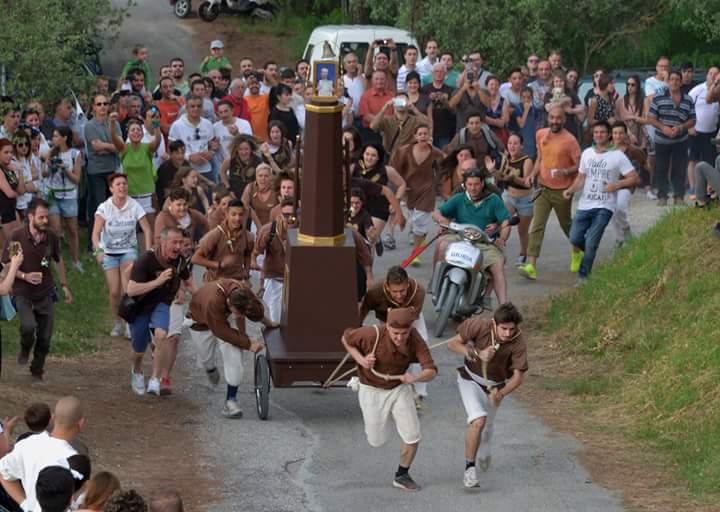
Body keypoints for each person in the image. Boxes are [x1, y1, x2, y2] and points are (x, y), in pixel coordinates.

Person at [341, 307, 437, 491]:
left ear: (410, 328)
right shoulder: (371, 334)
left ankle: (401, 475)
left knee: (412, 436)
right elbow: (345, 338)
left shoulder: (415, 339)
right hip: (371, 389)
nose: (400, 338)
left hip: (398, 388)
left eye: (404, 333)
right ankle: (388, 418)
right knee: (377, 441)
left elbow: (431, 370)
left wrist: (415, 378)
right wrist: (361, 360)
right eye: (395, 333)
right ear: (387, 327)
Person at [446, 303, 528, 488]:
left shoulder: (518, 342)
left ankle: (485, 447)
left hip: (495, 387)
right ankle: (470, 469)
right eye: (503, 328)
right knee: (478, 421)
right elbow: (453, 344)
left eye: (511, 329)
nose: (507, 333)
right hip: (470, 379)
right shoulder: (479, 326)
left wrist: (501, 393)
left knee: (488, 427)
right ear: (494, 323)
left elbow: (518, 377)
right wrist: (476, 353)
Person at [3, 198, 71, 381]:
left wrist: (64, 286)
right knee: (28, 326)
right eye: (41, 217)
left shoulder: (51, 236)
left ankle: (37, 371)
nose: (45, 221)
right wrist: (24, 276)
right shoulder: (16, 237)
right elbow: (7, 266)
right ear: (30, 216)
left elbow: (58, 260)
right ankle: (25, 347)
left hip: (45, 291)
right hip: (22, 292)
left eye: (46, 217)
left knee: (45, 336)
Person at [564, 121, 639, 282]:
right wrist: (571, 189)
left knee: (591, 241)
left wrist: (615, 185)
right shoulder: (587, 153)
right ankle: (591, 251)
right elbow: (581, 177)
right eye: (596, 132)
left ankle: (584, 276)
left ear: (609, 135)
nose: (599, 135)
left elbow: (634, 178)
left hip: (605, 206)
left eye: (602, 132)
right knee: (574, 238)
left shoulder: (617, 156)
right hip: (585, 204)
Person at [126, 226, 194, 396]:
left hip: (162, 304)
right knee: (138, 351)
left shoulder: (179, 261)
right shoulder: (146, 259)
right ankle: (137, 371)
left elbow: (191, 284)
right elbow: (131, 290)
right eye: (174, 242)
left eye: (181, 242)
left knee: (162, 335)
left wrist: (203, 301)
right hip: (140, 305)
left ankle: (155, 379)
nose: (179, 247)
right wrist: (157, 282)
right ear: (163, 243)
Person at [189, 279, 271, 418]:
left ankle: (230, 401)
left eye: (242, 312)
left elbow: (256, 311)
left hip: (225, 319)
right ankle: (210, 368)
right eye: (238, 312)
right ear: (228, 302)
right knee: (206, 359)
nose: (240, 315)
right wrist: (249, 344)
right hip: (201, 322)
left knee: (235, 356)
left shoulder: (243, 291)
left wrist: (267, 322)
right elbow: (221, 331)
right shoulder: (214, 301)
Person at [518, 106, 581, 281]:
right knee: (537, 224)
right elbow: (540, 159)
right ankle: (531, 265)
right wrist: (532, 175)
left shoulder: (570, 140)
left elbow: (580, 166)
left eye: (558, 118)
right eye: (552, 118)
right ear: (548, 118)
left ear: (564, 120)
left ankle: (577, 251)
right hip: (543, 188)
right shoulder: (541, 134)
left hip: (563, 190)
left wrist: (566, 172)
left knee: (567, 225)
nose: (554, 121)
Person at [432, 168, 511, 305]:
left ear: (482, 184)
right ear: (465, 185)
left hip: (484, 242)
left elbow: (506, 222)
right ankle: (436, 283)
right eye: (470, 184)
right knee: (442, 244)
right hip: (459, 237)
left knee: (498, 264)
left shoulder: (493, 200)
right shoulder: (459, 198)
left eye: (476, 184)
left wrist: (502, 239)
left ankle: (503, 307)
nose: (473, 188)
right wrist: (442, 220)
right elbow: (437, 212)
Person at [93, 173, 152, 338]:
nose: (122, 187)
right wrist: (98, 251)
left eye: (124, 184)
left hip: (128, 250)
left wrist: (147, 253)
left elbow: (147, 229)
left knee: (127, 288)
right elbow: (95, 234)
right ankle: (118, 322)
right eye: (118, 184)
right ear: (111, 189)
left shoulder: (134, 206)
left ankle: (129, 323)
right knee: (114, 292)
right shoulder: (104, 208)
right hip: (109, 253)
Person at [359, 266, 430, 403]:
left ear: (408, 284)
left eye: (402, 291)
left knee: (421, 346)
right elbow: (364, 308)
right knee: (388, 350)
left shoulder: (418, 291)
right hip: (387, 319)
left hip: (410, 318)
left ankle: (419, 393)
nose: (399, 295)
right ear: (387, 287)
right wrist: (358, 325)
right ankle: (392, 385)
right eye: (395, 291)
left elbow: (409, 326)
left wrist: (404, 342)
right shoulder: (375, 291)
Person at [0, 396, 83, 511]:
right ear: (80, 424)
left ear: (53, 418)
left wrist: (25, 503)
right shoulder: (75, 461)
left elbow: (3, 473)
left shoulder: (26, 444)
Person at [389, 124, 443, 263]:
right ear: (415, 136)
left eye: (425, 133)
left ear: (429, 136)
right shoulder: (405, 151)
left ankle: (415, 253)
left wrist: (436, 185)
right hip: (409, 190)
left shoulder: (436, 153)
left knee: (418, 221)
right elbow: (394, 167)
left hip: (427, 190)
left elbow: (443, 170)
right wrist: (399, 184)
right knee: (415, 222)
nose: (423, 136)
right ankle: (421, 237)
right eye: (420, 134)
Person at [646, 69, 696, 206]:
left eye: (677, 80)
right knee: (661, 168)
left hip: (681, 139)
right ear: (668, 82)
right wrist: (663, 128)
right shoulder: (658, 97)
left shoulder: (688, 99)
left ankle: (679, 196)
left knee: (679, 168)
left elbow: (693, 120)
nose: (674, 82)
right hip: (662, 139)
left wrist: (681, 127)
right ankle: (662, 196)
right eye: (672, 79)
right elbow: (650, 118)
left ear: (681, 83)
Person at [487, 133, 534, 266]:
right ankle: (498, 251)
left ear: (522, 146)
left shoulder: (527, 161)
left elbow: (527, 183)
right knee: (504, 222)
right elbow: (501, 177)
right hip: (509, 196)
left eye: (515, 143)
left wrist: (513, 177)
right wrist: (493, 171)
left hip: (526, 199)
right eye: (510, 143)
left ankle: (523, 254)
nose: (512, 146)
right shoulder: (505, 158)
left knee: (522, 230)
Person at [108, 112, 161, 228]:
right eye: (132, 130)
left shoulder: (147, 148)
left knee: (150, 230)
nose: (136, 132)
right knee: (129, 231)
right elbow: (113, 138)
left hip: (147, 195)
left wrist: (156, 123)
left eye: (138, 130)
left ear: (142, 134)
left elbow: (157, 140)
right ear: (128, 134)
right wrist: (112, 123)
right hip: (129, 196)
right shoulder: (124, 148)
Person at [351, 143, 406, 251]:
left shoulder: (386, 170)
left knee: (367, 241)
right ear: (363, 154)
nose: (369, 158)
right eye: (367, 154)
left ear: (378, 158)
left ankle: (367, 265)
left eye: (373, 155)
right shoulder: (354, 167)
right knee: (356, 240)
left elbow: (402, 184)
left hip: (379, 208)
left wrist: (396, 201)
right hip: (358, 206)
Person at [251, 198, 296, 323]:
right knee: (276, 317)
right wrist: (254, 263)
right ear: (280, 215)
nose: (289, 219)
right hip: (275, 280)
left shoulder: (302, 230)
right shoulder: (268, 231)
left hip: (295, 281)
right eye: (286, 215)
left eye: (292, 215)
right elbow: (255, 253)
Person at [192, 198, 254, 283]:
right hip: (216, 280)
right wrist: (219, 265)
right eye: (233, 214)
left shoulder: (248, 236)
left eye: (240, 215)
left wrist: (246, 275)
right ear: (226, 214)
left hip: (237, 282)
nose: (237, 218)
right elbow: (195, 258)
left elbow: (247, 255)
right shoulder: (216, 234)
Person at [610, 122, 646, 245]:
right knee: (612, 211)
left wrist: (641, 179)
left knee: (620, 207)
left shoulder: (633, 150)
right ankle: (619, 238)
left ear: (625, 134)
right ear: (611, 134)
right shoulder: (607, 150)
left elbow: (644, 164)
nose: (618, 136)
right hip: (611, 185)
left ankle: (625, 228)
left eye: (620, 133)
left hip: (626, 185)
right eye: (615, 133)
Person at [168, 95, 218, 183]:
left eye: (199, 106)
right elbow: (170, 149)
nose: (196, 109)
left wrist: (211, 153)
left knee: (208, 196)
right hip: (185, 171)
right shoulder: (177, 125)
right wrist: (189, 157)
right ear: (186, 108)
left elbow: (212, 145)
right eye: (192, 106)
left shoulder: (208, 124)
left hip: (206, 170)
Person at [687, 66, 720, 199]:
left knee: (710, 161)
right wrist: (689, 127)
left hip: (711, 131)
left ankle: (709, 190)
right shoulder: (697, 90)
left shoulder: (718, 92)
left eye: (716, 74)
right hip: (696, 130)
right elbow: (686, 107)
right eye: (710, 73)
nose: (713, 76)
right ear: (706, 75)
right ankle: (693, 188)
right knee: (693, 159)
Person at [421, 63, 455, 149]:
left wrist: (444, 101)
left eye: (441, 71)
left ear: (445, 74)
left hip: (445, 130)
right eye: (436, 71)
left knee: (443, 156)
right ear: (432, 74)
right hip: (427, 130)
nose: (439, 74)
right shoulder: (424, 89)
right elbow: (420, 108)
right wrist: (428, 99)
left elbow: (454, 110)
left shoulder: (450, 90)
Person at [0, 138, 25, 237]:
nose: (9, 155)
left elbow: (21, 190)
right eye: (6, 152)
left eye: (11, 152)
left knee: (16, 245)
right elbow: (10, 194)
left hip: (12, 210)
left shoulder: (8, 169)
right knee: (8, 248)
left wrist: (20, 171)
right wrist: (18, 193)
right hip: (3, 213)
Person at [13, 133, 39, 220]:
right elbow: (20, 189)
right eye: (20, 144)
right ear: (15, 146)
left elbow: (31, 184)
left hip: (28, 201)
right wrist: (29, 187)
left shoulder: (25, 159)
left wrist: (29, 186)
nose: (24, 147)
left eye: (26, 144)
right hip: (19, 205)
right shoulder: (12, 162)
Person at [244, 74, 270, 141]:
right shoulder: (244, 100)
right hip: (249, 137)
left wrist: (265, 73)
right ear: (248, 86)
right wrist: (246, 83)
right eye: (251, 84)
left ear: (260, 85)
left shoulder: (266, 98)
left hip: (264, 138)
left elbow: (277, 90)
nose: (254, 85)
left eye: (256, 83)